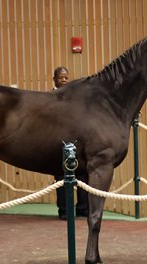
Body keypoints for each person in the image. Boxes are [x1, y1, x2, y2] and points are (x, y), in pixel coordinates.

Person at [52, 66, 89, 220]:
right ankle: (64, 211)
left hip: (75, 141)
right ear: (54, 79)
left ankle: (82, 209)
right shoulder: (49, 96)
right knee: (61, 176)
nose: (65, 80)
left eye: (66, 77)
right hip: (56, 141)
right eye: (61, 77)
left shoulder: (74, 96)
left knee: (82, 174)